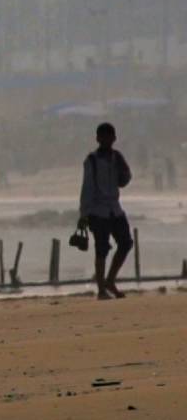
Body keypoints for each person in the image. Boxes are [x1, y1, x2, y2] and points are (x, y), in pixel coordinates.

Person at [78, 122, 134, 300]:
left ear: (114, 138)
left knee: (126, 243)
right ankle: (101, 289)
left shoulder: (117, 157)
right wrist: (84, 214)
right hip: (98, 211)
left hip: (115, 209)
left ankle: (110, 280)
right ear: (98, 138)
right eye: (103, 137)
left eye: (110, 137)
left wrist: (124, 174)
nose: (107, 140)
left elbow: (125, 179)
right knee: (101, 249)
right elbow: (87, 188)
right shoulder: (92, 160)